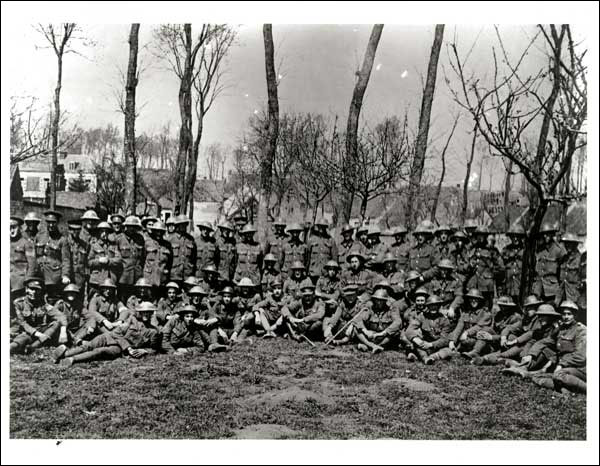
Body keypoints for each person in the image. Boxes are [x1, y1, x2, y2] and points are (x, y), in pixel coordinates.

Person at [54, 301, 161, 366]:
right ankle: (64, 354)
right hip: (110, 337)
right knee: (90, 345)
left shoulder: (154, 331)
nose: (145, 314)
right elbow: (116, 333)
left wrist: (145, 350)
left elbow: (155, 348)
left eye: (148, 312)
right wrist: (128, 347)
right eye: (143, 312)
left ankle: (72, 360)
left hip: (119, 349)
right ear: (140, 313)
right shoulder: (132, 320)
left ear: (152, 314)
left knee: (100, 351)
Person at [472, 295, 541, 366]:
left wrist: (492, 337)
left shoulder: (536, 320)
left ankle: (487, 358)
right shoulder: (526, 319)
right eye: (527, 307)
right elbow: (509, 328)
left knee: (511, 349)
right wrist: (503, 337)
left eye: (532, 307)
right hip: (516, 343)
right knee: (507, 348)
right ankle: (480, 355)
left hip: (528, 345)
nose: (528, 310)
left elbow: (530, 335)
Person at [11, 276, 68, 355]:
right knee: (15, 345)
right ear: (26, 289)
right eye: (31, 289)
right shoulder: (19, 303)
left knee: (56, 323)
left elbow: (60, 315)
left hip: (42, 331)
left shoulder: (43, 304)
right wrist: (37, 334)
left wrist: (63, 330)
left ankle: (32, 347)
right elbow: (22, 323)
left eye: (37, 290)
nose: (34, 292)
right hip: (27, 333)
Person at [467, 295, 522, 361]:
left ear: (510, 306)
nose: (503, 308)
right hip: (497, 341)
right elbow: (492, 328)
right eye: (501, 306)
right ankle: (475, 351)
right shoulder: (499, 315)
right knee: (486, 329)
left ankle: (490, 355)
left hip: (507, 342)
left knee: (510, 336)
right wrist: (484, 333)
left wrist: (492, 337)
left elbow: (512, 337)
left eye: (505, 306)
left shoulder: (516, 317)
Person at [404, 294, 453, 364]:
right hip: (424, 346)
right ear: (427, 306)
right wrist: (415, 339)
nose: (433, 308)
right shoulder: (422, 317)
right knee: (415, 346)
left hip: (437, 347)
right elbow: (409, 330)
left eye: (435, 305)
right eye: (431, 305)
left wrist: (431, 344)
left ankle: (431, 357)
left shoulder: (445, 320)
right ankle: (425, 358)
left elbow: (445, 339)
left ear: (439, 306)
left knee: (448, 352)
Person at [447, 288, 493, 358]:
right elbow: (459, 327)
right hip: (468, 340)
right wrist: (452, 340)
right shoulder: (465, 313)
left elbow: (479, 326)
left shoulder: (486, 313)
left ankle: (475, 352)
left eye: (476, 299)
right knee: (453, 348)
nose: (473, 301)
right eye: (471, 298)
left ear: (480, 300)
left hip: (482, 342)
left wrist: (466, 333)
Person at [466, 225, 504, 308]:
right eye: (479, 235)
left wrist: (491, 275)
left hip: (486, 286)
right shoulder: (472, 248)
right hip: (474, 283)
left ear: (486, 236)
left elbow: (500, 267)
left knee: (486, 308)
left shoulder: (492, 250)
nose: (480, 238)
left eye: (482, 235)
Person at [38, 210, 71, 302]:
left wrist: (65, 275)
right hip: (40, 274)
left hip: (54, 276)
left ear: (57, 223)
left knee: (52, 300)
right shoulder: (40, 237)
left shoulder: (62, 240)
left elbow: (66, 260)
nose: (51, 225)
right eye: (48, 222)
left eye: (53, 222)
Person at [354, 289, 402, 353]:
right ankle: (372, 346)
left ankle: (375, 346)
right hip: (372, 335)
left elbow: (398, 322)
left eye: (381, 300)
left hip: (384, 336)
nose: (379, 302)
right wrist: (366, 331)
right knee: (356, 328)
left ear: (385, 301)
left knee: (396, 332)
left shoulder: (391, 309)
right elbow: (358, 319)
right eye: (377, 300)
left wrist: (383, 333)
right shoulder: (370, 308)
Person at [532, 223, 566, 304]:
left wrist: (559, 296)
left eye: (548, 234)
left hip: (552, 291)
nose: (545, 236)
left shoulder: (559, 250)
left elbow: (562, 276)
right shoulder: (539, 250)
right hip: (539, 291)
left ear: (552, 234)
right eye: (543, 234)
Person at [87, 221, 122, 299]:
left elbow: (119, 260)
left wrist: (109, 261)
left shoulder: (113, 246)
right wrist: (99, 261)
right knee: (93, 299)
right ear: (98, 233)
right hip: (96, 279)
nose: (104, 234)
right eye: (102, 231)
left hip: (109, 279)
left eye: (106, 232)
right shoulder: (94, 245)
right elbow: (89, 262)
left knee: (109, 301)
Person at [115, 215, 145, 302]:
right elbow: (116, 258)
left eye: (134, 227)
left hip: (137, 275)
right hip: (124, 276)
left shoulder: (140, 239)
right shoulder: (119, 239)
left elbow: (143, 257)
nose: (132, 229)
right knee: (122, 299)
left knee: (135, 299)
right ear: (125, 227)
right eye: (129, 226)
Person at [557, 233, 584, 317]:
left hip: (574, 294)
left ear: (575, 244)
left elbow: (582, 278)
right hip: (562, 293)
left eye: (570, 243)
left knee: (574, 315)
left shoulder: (580, 259)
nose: (567, 246)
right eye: (566, 243)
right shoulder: (564, 258)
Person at [10, 216, 37, 301]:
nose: (11, 231)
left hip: (19, 283)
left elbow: (32, 265)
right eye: (9, 228)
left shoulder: (26, 243)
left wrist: (27, 282)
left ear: (20, 228)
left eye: (14, 227)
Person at [143, 221, 173, 296]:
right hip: (149, 277)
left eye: (161, 232)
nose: (159, 234)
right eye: (157, 231)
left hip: (162, 278)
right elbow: (141, 259)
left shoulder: (167, 245)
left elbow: (170, 262)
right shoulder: (147, 243)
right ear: (153, 231)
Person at [307, 218, 338, 283]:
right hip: (313, 273)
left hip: (326, 273)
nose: (321, 228)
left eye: (324, 226)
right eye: (320, 226)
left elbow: (334, 258)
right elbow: (307, 257)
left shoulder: (331, 240)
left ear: (326, 227)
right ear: (317, 227)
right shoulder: (311, 240)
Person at [502, 224, 526, 303]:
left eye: (517, 236)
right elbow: (501, 268)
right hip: (509, 286)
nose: (515, 239)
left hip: (521, 286)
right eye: (513, 236)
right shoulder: (505, 250)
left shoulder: (526, 251)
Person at [65, 220, 87, 303]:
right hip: (69, 276)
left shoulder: (84, 244)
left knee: (79, 301)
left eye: (77, 230)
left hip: (80, 277)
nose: (75, 232)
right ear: (69, 230)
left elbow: (86, 262)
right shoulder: (65, 242)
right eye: (72, 229)